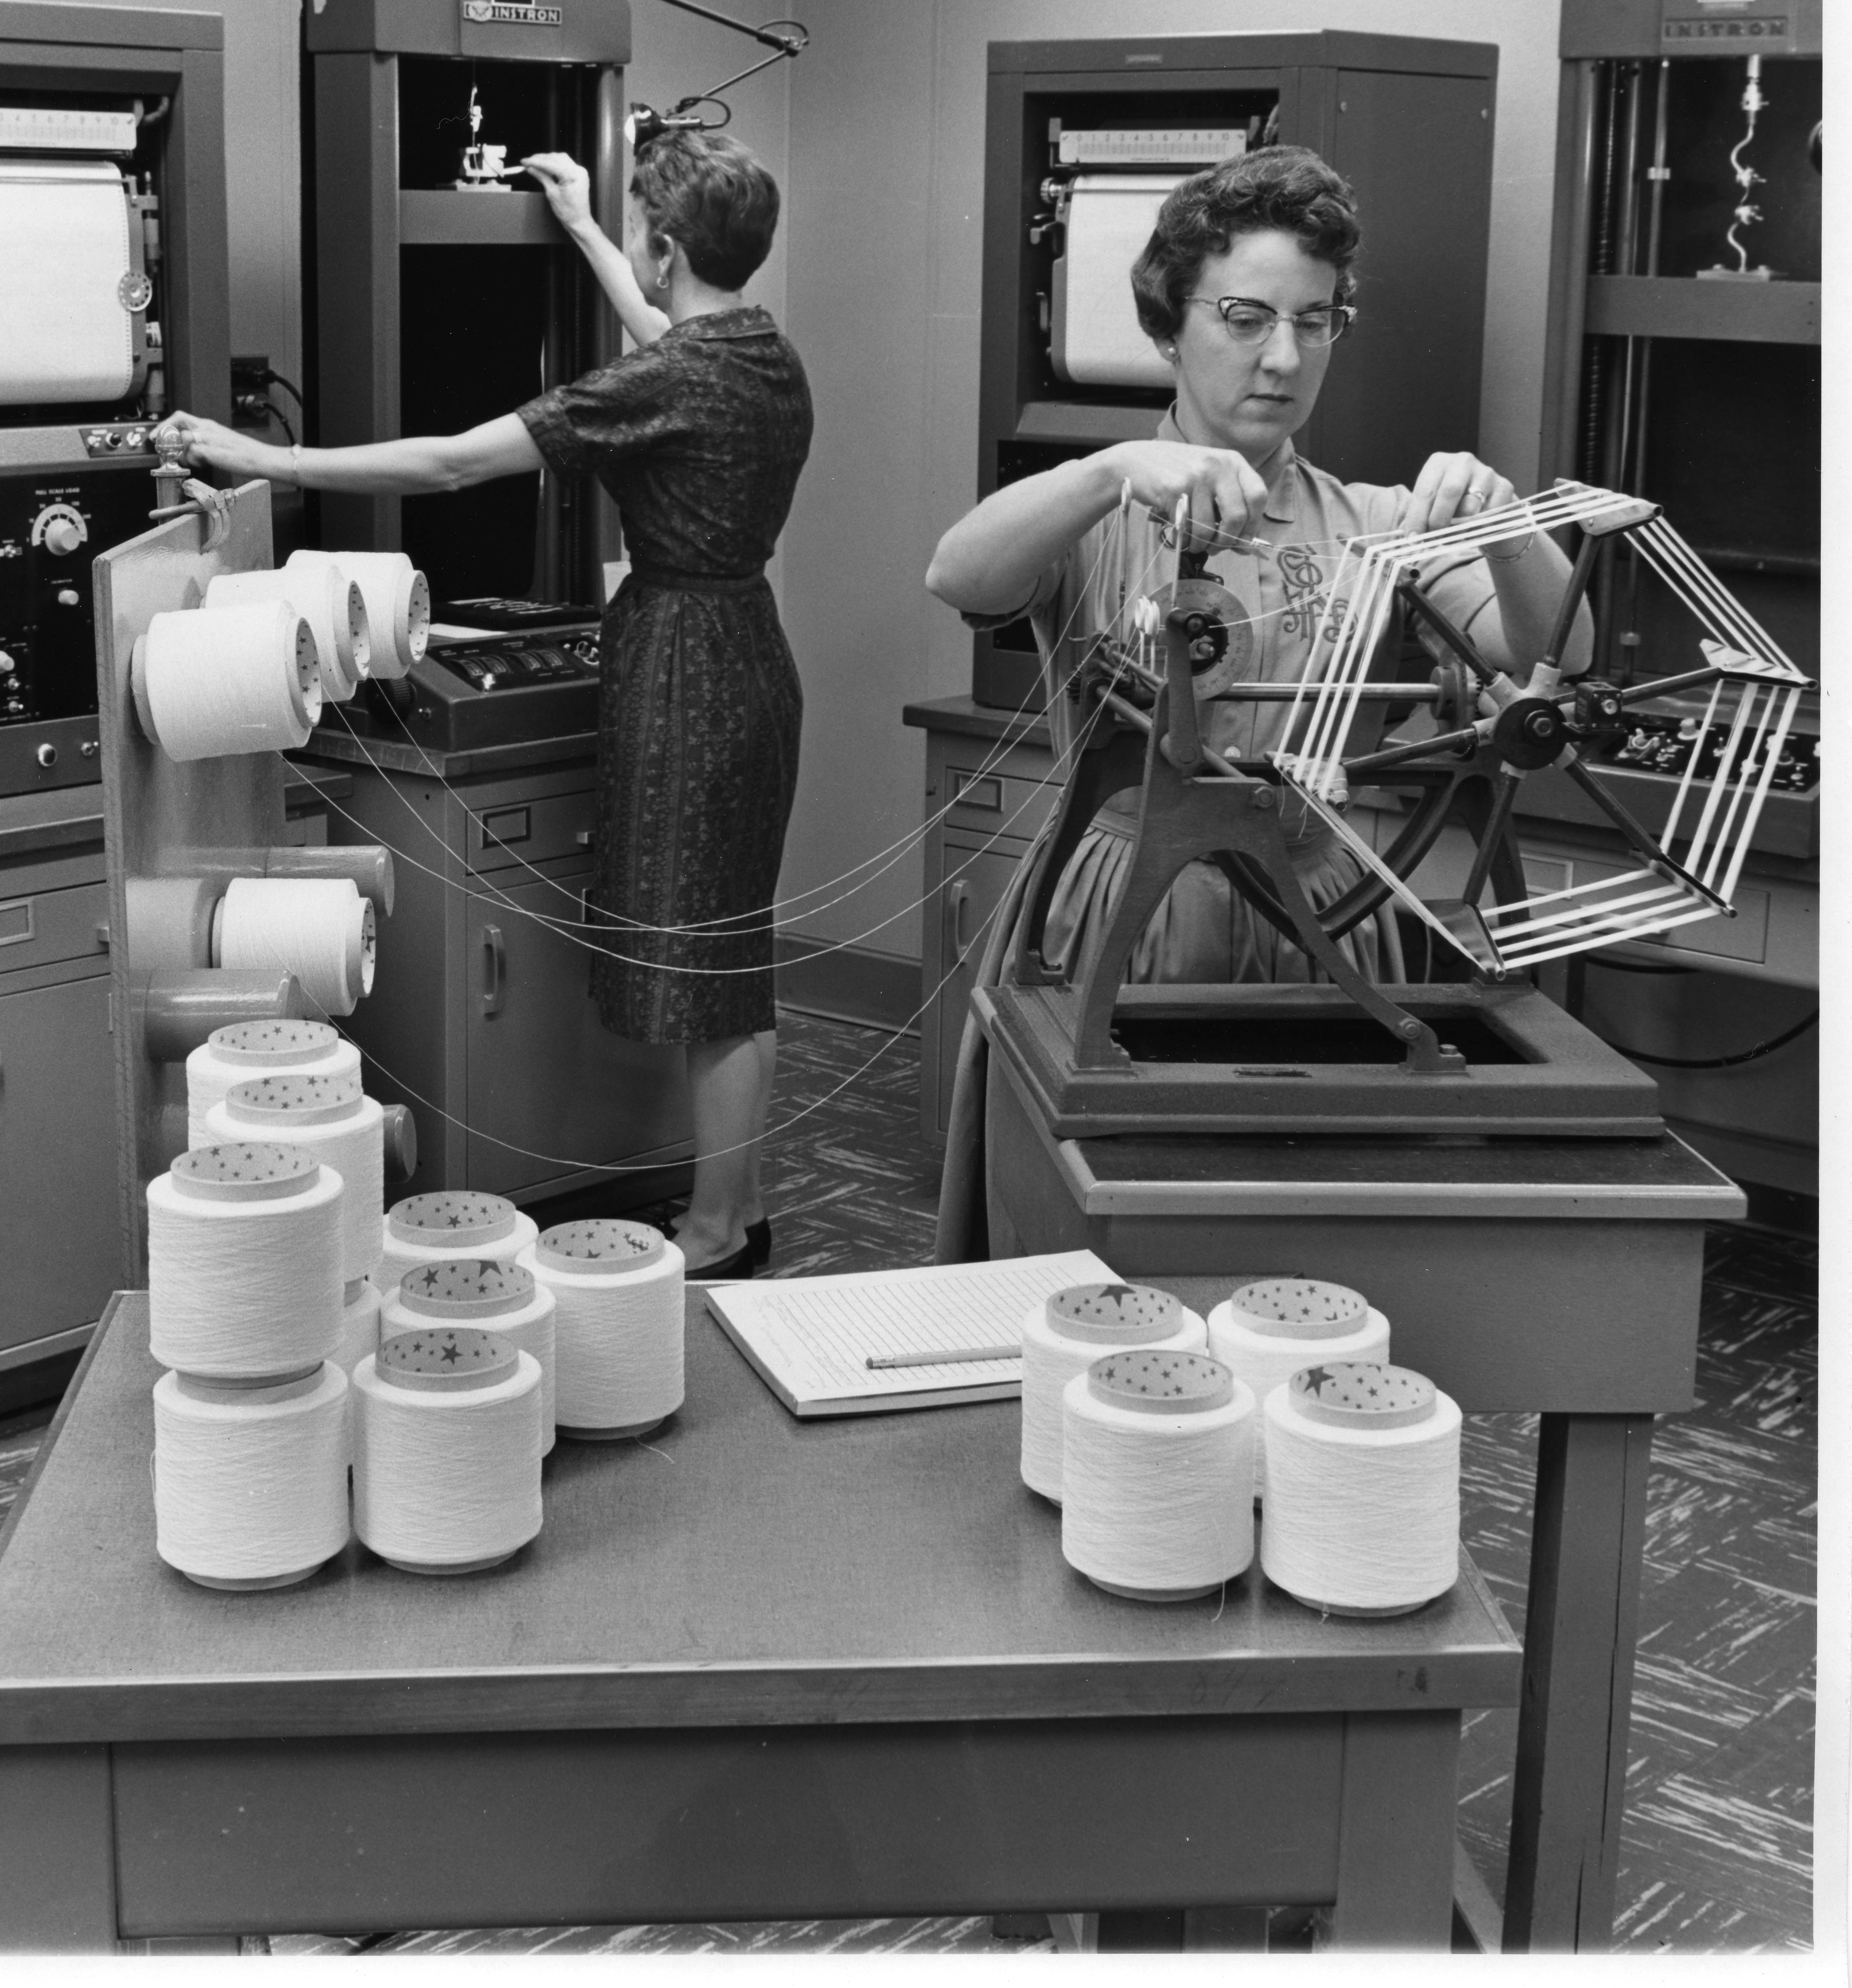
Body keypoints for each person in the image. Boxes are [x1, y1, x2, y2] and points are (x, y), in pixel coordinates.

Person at [154, 127, 812, 1278]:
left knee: (704, 974)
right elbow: (661, 329)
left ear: (669, 244)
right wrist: (587, 229)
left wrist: (272, 462)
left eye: (642, 239)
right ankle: (736, 1209)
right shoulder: (759, 352)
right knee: (729, 962)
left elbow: (455, 462)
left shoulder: (669, 374)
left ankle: (716, 1231)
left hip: (682, 672)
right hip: (751, 654)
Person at [922, 144, 1589, 1257]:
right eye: (1243, 316)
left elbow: (1541, 651)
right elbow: (958, 573)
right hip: (1127, 909)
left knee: (1307, 1249)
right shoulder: (1101, 507)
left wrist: (1506, 524)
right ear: (1167, 322)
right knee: (1101, 1248)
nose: (1280, 355)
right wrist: (1102, 472)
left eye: (1315, 320)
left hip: (1321, 916)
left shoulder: (1375, 522)